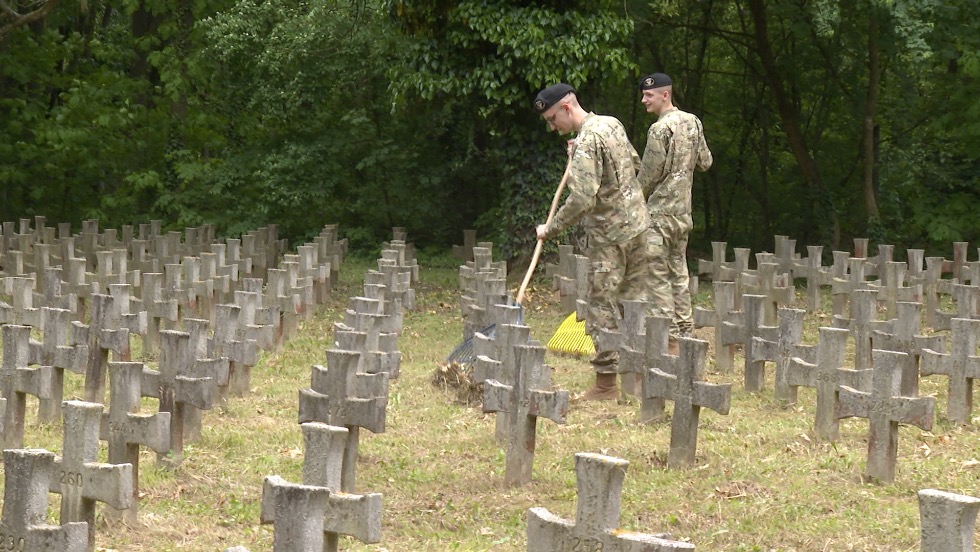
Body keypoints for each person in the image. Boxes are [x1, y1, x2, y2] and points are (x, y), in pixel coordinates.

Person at [533, 83, 658, 401]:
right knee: (634, 303)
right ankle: (640, 377)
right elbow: (636, 165)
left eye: (551, 119)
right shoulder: (610, 123)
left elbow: (583, 198)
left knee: (601, 307)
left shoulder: (587, 140)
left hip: (609, 237)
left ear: (565, 107)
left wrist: (551, 227)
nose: (552, 127)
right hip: (639, 227)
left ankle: (605, 386)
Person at [636, 73, 713, 352]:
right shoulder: (693, 122)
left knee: (656, 275)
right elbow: (705, 162)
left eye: (649, 95)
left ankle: (666, 338)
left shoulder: (659, 130)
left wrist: (633, 200)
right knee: (679, 272)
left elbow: (648, 175)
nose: (644, 100)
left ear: (665, 95)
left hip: (659, 214)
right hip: (683, 213)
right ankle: (685, 331)